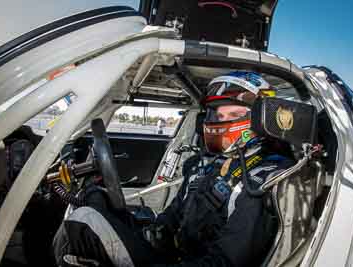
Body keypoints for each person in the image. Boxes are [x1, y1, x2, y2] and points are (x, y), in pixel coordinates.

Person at [53, 71, 295, 267]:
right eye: (216, 114)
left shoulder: (262, 180)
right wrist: (149, 235)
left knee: (84, 223)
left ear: (260, 119)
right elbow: (174, 215)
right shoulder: (208, 163)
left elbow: (226, 261)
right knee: (96, 200)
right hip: (172, 254)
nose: (220, 121)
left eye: (233, 114)